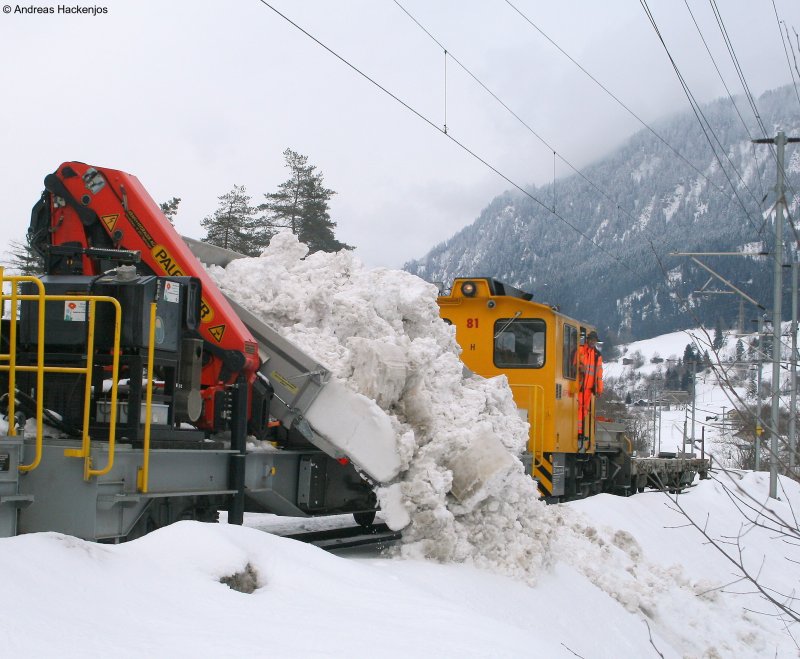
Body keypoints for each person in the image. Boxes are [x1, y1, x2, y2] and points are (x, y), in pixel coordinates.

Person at [577, 330, 603, 448]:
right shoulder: (580, 350)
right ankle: (578, 432)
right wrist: (579, 367)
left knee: (584, 410)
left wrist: (599, 389)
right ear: (587, 340)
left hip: (588, 389)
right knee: (578, 409)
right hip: (579, 386)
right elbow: (573, 363)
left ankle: (581, 432)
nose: (593, 342)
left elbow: (599, 374)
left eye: (595, 340)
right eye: (591, 340)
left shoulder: (597, 355)